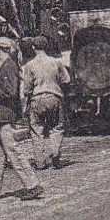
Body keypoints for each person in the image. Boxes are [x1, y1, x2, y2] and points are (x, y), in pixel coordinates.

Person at [0, 37, 42, 201]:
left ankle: (32, 185)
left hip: (5, 114)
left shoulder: (9, 66)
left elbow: (10, 91)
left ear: (2, 49)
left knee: (13, 151)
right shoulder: (6, 66)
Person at [20, 37, 70, 169]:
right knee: (57, 127)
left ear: (33, 47)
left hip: (37, 99)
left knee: (36, 130)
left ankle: (40, 162)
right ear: (47, 47)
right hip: (54, 97)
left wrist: (26, 103)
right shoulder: (56, 63)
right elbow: (66, 80)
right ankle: (54, 152)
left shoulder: (29, 66)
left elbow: (27, 89)